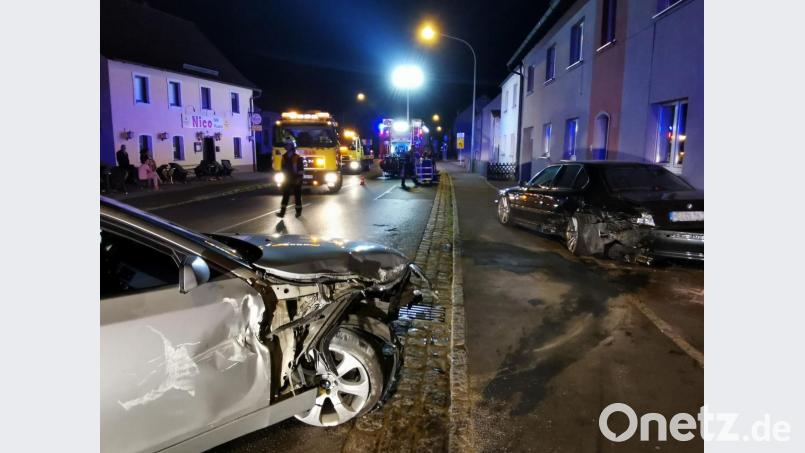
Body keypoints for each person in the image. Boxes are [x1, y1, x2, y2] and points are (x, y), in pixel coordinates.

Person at [277, 138, 304, 218]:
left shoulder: (297, 157)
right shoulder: (284, 157)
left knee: (297, 196)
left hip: (296, 179)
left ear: (292, 146)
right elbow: (282, 169)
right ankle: (282, 213)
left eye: (289, 145)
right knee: (285, 196)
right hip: (287, 179)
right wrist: (282, 180)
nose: (287, 147)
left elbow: (301, 170)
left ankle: (298, 212)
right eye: (286, 145)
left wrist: (299, 179)